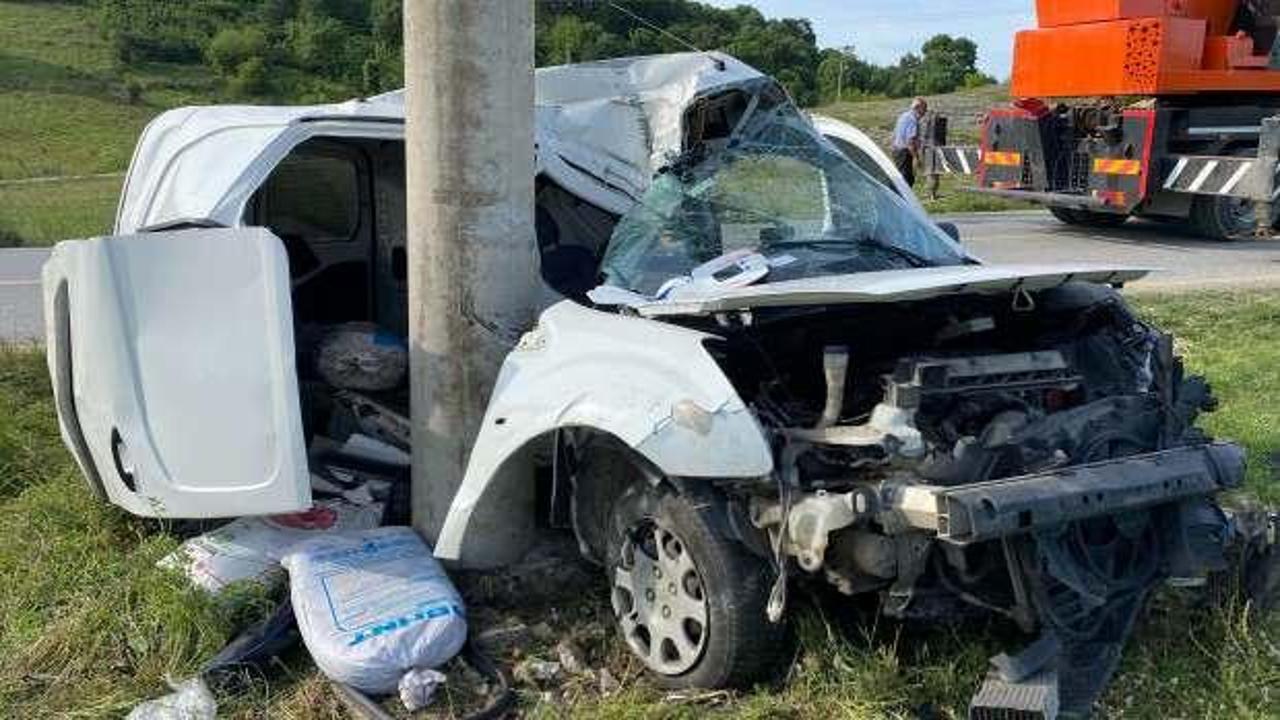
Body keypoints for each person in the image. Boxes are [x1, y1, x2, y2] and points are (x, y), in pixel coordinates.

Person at [891, 97, 928, 188]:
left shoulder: (904, 115)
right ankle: (901, 200)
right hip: (903, 152)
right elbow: (910, 142)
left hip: (897, 150)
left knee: (905, 177)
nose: (925, 112)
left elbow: (894, 134)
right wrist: (916, 158)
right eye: (924, 108)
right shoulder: (912, 120)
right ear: (918, 108)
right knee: (906, 180)